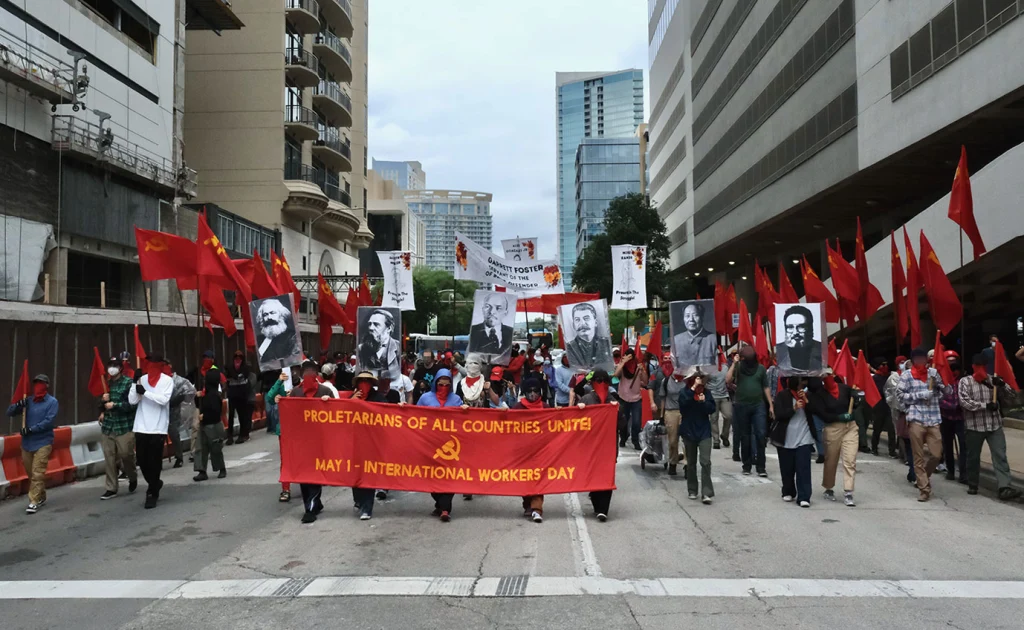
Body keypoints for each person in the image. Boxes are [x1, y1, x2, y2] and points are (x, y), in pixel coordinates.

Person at [958, 353, 1023, 500]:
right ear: (973, 366)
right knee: (973, 457)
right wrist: (985, 405)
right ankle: (973, 484)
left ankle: (1004, 486)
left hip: (994, 425)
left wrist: (1002, 384)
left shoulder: (992, 380)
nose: (980, 367)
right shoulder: (965, 382)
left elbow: (1013, 396)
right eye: (977, 365)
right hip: (974, 426)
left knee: (1000, 456)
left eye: (983, 365)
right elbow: (964, 402)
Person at [897, 348, 947, 502]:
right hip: (916, 419)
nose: (920, 361)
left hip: (933, 419)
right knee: (918, 456)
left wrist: (940, 387)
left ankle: (923, 476)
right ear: (912, 360)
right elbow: (899, 396)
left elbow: (945, 392)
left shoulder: (933, 373)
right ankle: (924, 489)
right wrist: (921, 395)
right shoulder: (906, 376)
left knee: (936, 455)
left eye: (922, 358)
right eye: (917, 359)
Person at [290, 360, 335, 523]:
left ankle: (310, 509)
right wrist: (280, 401)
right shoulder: (296, 393)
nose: (309, 375)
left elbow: (336, 414)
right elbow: (290, 415)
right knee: (303, 475)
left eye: (312, 372)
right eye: (306, 372)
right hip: (301, 441)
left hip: (319, 441)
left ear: (316, 374)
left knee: (315, 474)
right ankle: (314, 503)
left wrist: (328, 403)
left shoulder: (325, 391)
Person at [7, 374, 58, 514]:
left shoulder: (52, 402)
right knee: (31, 473)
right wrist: (18, 405)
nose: (38, 386)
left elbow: (49, 421)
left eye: (41, 383)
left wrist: (31, 429)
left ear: (47, 385)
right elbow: (9, 412)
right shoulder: (28, 401)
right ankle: (41, 495)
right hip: (27, 443)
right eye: (36, 383)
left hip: (43, 441)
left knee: (37, 472)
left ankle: (33, 501)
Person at [416, 369, 462, 522]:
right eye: (440, 384)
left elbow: (464, 420)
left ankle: (445, 509)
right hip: (429, 444)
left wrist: (465, 410)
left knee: (449, 477)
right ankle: (439, 503)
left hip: (450, 445)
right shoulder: (425, 398)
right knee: (431, 476)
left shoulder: (456, 399)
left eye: (447, 384)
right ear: (435, 383)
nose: (443, 387)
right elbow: (414, 416)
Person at [129, 354, 174, 509]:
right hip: (141, 426)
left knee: (154, 461)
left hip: (158, 427)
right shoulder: (142, 379)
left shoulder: (167, 381)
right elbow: (132, 400)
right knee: (141, 460)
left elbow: (163, 400)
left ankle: (152, 493)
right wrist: (135, 383)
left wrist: (146, 392)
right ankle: (155, 482)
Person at [807, 374, 857, 506]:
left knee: (850, 460)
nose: (828, 378)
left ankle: (848, 491)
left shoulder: (845, 389)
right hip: (832, 428)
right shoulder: (819, 395)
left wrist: (857, 398)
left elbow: (854, 402)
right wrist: (839, 417)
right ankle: (828, 488)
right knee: (831, 460)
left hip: (851, 427)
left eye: (829, 375)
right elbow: (823, 415)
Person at [726, 346, 774, 477]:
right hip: (742, 405)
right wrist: (734, 364)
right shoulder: (739, 367)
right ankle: (746, 465)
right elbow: (728, 380)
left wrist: (770, 405)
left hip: (758, 406)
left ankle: (761, 467)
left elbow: (766, 387)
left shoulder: (761, 369)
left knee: (760, 435)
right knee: (745, 436)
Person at [771, 377, 817, 508]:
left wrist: (807, 401)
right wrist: (794, 408)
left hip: (804, 437)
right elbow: (779, 414)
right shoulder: (782, 395)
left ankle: (804, 496)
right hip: (786, 437)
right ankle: (788, 490)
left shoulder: (808, 396)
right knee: (787, 467)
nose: (803, 385)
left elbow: (817, 411)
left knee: (803, 467)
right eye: (800, 382)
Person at [577, 369, 616, 521]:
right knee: (593, 474)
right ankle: (596, 503)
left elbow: (622, 424)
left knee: (607, 476)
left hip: (608, 446)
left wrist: (617, 411)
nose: (601, 384)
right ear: (593, 382)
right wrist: (578, 410)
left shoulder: (613, 400)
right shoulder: (586, 399)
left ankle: (603, 509)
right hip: (591, 446)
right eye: (598, 380)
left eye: (604, 381)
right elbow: (576, 423)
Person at [99, 357, 139, 501]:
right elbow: (101, 404)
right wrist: (103, 405)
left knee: (126, 455)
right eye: (110, 365)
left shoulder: (128, 383)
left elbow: (132, 405)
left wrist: (115, 405)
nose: (112, 368)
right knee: (109, 458)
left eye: (115, 366)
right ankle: (111, 488)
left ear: (121, 368)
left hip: (124, 426)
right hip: (108, 426)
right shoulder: (106, 384)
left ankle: (132, 476)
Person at [513, 375, 548, 522]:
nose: (533, 394)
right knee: (526, 479)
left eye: (536, 390)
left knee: (538, 479)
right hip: (523, 451)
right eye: (530, 391)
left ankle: (536, 509)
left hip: (541, 451)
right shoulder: (518, 408)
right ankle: (528, 504)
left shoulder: (546, 408)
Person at [679, 370, 716, 503]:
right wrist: (693, 389)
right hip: (689, 431)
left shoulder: (706, 393)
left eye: (700, 378)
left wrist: (704, 402)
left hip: (704, 431)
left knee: (705, 462)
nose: (699, 381)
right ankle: (692, 489)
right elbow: (683, 406)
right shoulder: (684, 392)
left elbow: (712, 409)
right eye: (695, 379)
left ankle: (706, 493)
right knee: (691, 463)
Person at [938, 351, 968, 483]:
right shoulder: (938, 379)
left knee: (964, 446)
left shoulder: (964, 379)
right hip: (946, 417)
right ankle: (950, 470)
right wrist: (951, 406)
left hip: (961, 418)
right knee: (947, 445)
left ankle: (964, 474)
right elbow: (937, 398)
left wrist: (961, 405)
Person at [194, 368, 227, 482]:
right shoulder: (205, 393)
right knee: (201, 448)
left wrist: (205, 416)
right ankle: (201, 470)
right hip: (204, 425)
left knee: (215, 448)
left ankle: (221, 468)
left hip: (214, 425)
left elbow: (215, 411)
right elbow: (198, 405)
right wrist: (197, 397)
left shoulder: (214, 395)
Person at [614, 348, 649, 449]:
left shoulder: (638, 367)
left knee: (637, 422)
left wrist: (643, 371)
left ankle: (635, 440)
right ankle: (623, 438)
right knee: (623, 421)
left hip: (636, 399)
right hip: (623, 398)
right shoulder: (622, 367)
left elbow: (646, 382)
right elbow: (615, 375)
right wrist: (623, 362)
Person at [267, 370, 293, 502]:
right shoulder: (281, 385)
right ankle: (285, 488)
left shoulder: (301, 385)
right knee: (286, 460)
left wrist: (294, 396)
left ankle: (309, 483)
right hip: (284, 429)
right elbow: (269, 398)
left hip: (301, 430)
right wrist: (279, 381)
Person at [775, 305, 823, 373]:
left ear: (810, 328)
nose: (795, 332)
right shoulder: (779, 351)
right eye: (790, 327)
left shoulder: (821, 349)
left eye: (801, 327)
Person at [564, 303, 613, 369]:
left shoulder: (606, 344)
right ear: (573, 325)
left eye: (586, 318)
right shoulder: (570, 348)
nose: (582, 323)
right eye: (577, 320)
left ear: (595, 322)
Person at [254, 297, 301, 366]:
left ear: (281, 314)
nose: (269, 317)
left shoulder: (292, 336)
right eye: (265, 314)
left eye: (272, 313)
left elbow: (294, 360)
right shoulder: (259, 339)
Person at [659, 360, 686, 476]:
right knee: (673, 440)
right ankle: (673, 462)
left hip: (685, 412)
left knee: (686, 441)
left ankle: (687, 464)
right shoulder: (665, 382)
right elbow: (663, 399)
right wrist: (661, 415)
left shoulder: (687, 381)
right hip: (671, 412)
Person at [223, 351, 256, 445]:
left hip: (242, 395)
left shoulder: (245, 368)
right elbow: (228, 380)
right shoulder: (229, 368)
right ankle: (230, 437)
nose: (238, 359)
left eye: (240, 358)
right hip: (232, 395)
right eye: (236, 357)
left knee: (242, 416)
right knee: (231, 417)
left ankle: (242, 435)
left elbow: (248, 382)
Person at [166, 361, 195, 469]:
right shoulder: (159, 380)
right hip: (160, 411)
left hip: (174, 411)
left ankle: (179, 457)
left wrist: (179, 398)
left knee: (174, 433)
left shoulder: (179, 381)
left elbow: (190, 392)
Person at [358, 308, 401, 376]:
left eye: (376, 324)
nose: (371, 328)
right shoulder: (361, 348)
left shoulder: (398, 347)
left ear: (389, 328)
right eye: (370, 324)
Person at [672, 302, 716, 368]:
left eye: (695, 315)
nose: (691, 319)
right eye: (687, 316)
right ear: (683, 319)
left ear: (702, 317)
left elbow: (719, 369)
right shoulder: (676, 340)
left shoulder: (712, 339)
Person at [469, 292, 514, 356]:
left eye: (498, 308)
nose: (492, 312)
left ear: (505, 313)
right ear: (483, 309)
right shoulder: (473, 331)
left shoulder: (510, 332)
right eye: (487, 306)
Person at [870, 358, 898, 458]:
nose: (884, 367)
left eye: (886, 364)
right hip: (879, 406)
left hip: (889, 406)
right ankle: (874, 448)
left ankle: (892, 451)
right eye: (882, 364)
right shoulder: (875, 378)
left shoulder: (892, 376)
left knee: (891, 429)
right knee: (877, 428)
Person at [705, 357, 731, 450]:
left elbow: (729, 379)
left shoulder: (725, 367)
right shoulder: (708, 368)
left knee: (728, 416)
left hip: (724, 395)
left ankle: (724, 435)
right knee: (713, 418)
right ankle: (716, 440)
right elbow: (704, 382)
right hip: (713, 396)